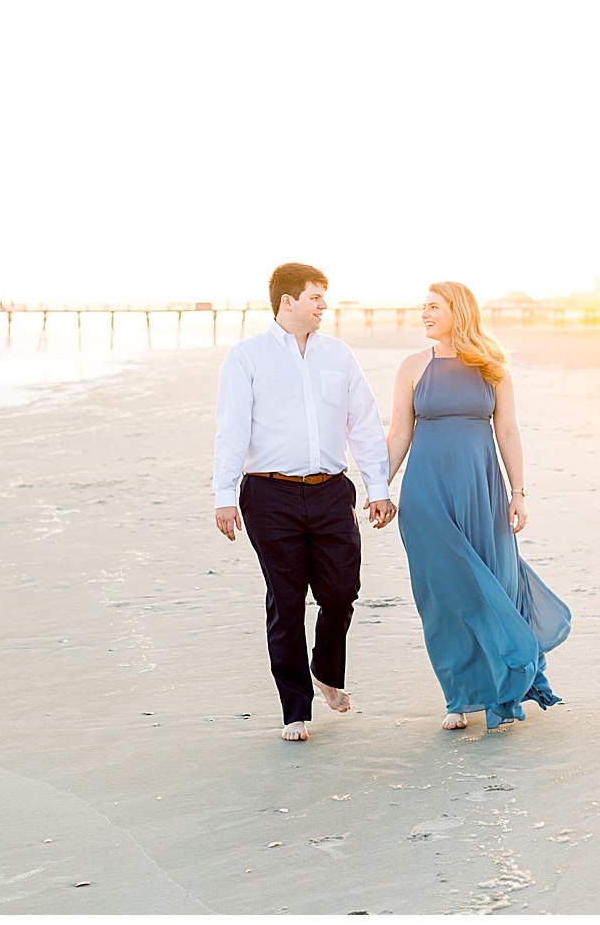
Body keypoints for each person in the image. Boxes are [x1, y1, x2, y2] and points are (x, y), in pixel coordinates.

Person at [213, 263, 394, 741]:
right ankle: (296, 709)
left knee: (340, 592)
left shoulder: (339, 355)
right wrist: (224, 494)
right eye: (315, 296)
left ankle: (327, 671)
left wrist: (379, 488)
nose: (323, 305)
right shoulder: (246, 357)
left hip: (332, 491)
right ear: (288, 301)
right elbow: (231, 429)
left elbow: (366, 423)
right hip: (268, 494)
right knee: (287, 601)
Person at [388, 282, 570, 730]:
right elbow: (398, 433)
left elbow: (507, 432)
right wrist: (376, 489)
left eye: (433, 307)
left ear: (458, 310)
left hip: (483, 492)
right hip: (427, 494)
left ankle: (500, 691)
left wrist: (518, 492)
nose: (424, 314)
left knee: (496, 585)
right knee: (445, 596)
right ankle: (459, 697)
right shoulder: (413, 367)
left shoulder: (492, 366)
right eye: (423, 307)